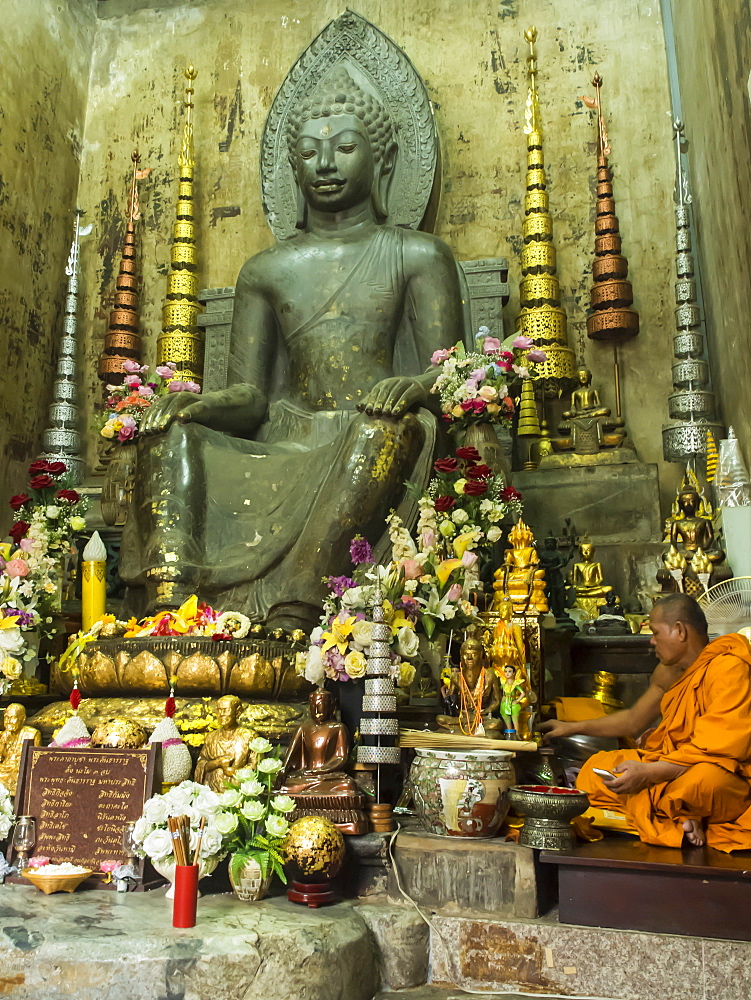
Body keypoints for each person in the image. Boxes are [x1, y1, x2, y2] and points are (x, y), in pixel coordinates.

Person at [121, 67, 463, 629]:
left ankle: (299, 606)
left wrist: (414, 387)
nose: (325, 163)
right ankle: (172, 611)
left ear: (383, 161)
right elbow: (251, 395)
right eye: (309, 152)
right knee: (171, 429)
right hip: (284, 437)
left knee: (388, 430)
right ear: (292, 166)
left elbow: (449, 373)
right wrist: (196, 405)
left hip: (369, 431)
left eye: (346, 147)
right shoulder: (267, 269)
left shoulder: (418, 255)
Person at [541, 594, 751, 851]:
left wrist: (649, 773)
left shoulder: (729, 667)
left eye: (655, 632)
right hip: (669, 766)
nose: (651, 641)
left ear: (679, 631)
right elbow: (633, 720)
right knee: (593, 771)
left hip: (714, 771)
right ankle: (682, 815)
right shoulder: (668, 671)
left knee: (703, 784)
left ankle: (673, 813)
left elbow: (724, 749)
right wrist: (571, 727)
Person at [194, 695, 257, 793]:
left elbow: (255, 765)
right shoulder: (211, 737)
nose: (221, 714)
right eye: (219, 710)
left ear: (237, 712)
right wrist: (217, 763)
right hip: (211, 793)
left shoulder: (249, 736)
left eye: (226, 710)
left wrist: (236, 772)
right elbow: (201, 764)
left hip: (237, 793)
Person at [0, 703, 40, 796]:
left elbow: (36, 762)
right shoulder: (3, 735)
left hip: (20, 770)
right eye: (6, 718)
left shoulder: (32, 734)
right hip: (5, 770)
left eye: (12, 718)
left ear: (23, 719)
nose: (8, 721)